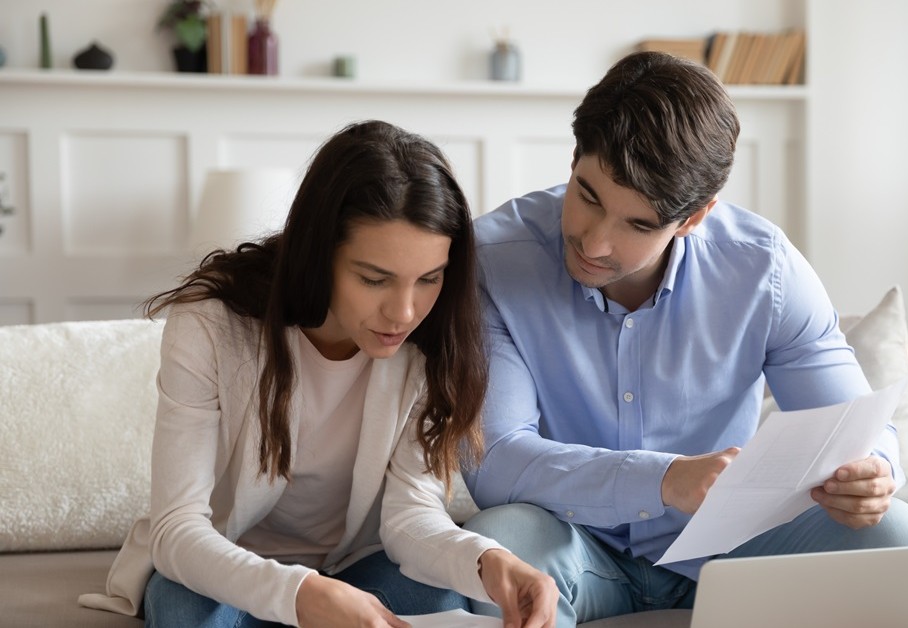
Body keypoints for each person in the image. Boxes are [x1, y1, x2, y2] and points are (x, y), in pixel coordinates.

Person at [461, 52, 908, 626]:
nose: (593, 242)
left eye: (638, 225)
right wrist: (663, 480)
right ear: (573, 158)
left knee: (904, 536)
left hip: (732, 552)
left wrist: (873, 471)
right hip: (573, 546)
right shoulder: (491, 261)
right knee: (498, 540)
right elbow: (496, 464)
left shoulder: (765, 272)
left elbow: (855, 427)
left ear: (695, 217)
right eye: (587, 196)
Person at [78, 120, 556, 628]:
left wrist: (487, 561)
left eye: (429, 279)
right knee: (186, 614)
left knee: (442, 602)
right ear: (318, 253)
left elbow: (410, 516)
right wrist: (301, 594)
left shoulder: (432, 342)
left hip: (352, 567)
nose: (404, 311)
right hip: (220, 563)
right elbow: (178, 529)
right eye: (375, 279)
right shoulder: (210, 325)